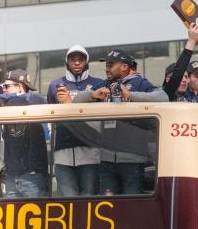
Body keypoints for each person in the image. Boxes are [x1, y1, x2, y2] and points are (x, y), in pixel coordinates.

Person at [68, 49, 167, 195]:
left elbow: (163, 97)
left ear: (125, 67)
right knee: (108, 207)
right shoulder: (104, 85)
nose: (107, 68)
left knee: (131, 206)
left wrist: (130, 95)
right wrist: (93, 95)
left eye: (111, 64)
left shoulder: (139, 82)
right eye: (106, 65)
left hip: (132, 160)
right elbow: (76, 101)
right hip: (106, 160)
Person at [47, 45, 105, 196]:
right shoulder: (55, 85)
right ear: (67, 62)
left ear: (87, 62)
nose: (77, 63)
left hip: (91, 152)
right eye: (73, 60)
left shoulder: (99, 84)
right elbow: (50, 117)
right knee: (68, 201)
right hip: (62, 153)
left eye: (81, 59)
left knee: (89, 199)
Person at [0, 69, 49, 198]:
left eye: (7, 86)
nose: (4, 90)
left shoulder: (34, 102)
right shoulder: (8, 103)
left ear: (20, 87)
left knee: (35, 217)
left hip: (33, 176)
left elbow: (33, 99)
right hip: (12, 177)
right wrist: (10, 97)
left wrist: (6, 100)